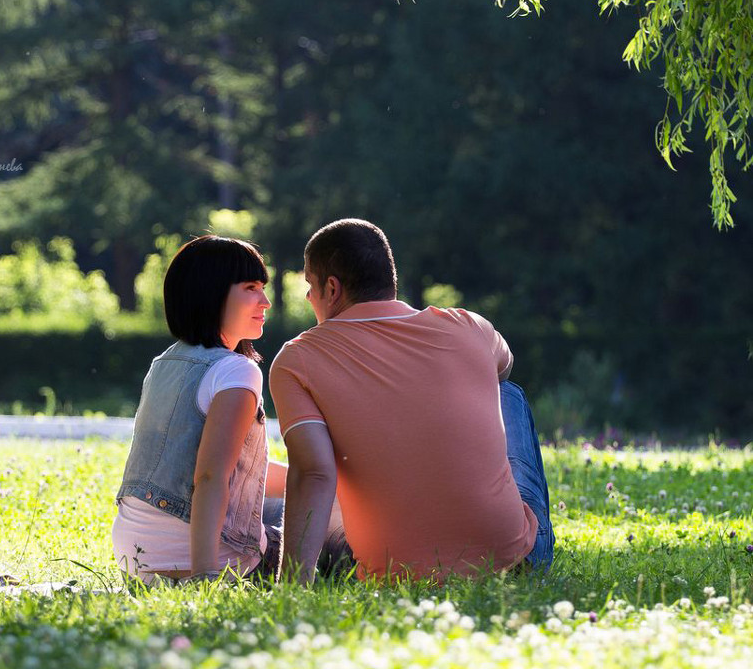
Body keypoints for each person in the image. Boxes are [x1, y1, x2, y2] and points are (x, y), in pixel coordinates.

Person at [270, 218, 554, 584]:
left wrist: (291, 588)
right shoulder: (469, 326)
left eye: (310, 285)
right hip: (516, 565)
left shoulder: (298, 359)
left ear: (332, 288)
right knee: (506, 392)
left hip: (394, 575)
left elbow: (314, 473)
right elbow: (505, 365)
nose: (309, 298)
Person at [112, 235, 285, 584]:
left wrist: (316, 478)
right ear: (212, 292)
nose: (265, 301)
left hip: (134, 560)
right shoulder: (237, 371)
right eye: (251, 287)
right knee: (321, 518)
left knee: (298, 498)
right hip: (210, 562)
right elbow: (209, 477)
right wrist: (206, 577)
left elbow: (237, 470)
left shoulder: (162, 364)